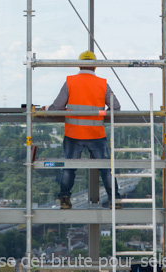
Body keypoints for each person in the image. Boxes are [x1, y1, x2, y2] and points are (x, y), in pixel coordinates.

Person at [45, 50, 121, 210]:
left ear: (79, 65)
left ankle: (65, 199)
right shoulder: (102, 83)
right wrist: (101, 116)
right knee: (106, 168)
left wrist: (47, 110)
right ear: (95, 66)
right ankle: (115, 200)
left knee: (69, 168)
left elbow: (57, 107)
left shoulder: (70, 81)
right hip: (96, 134)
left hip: (73, 134)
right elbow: (115, 108)